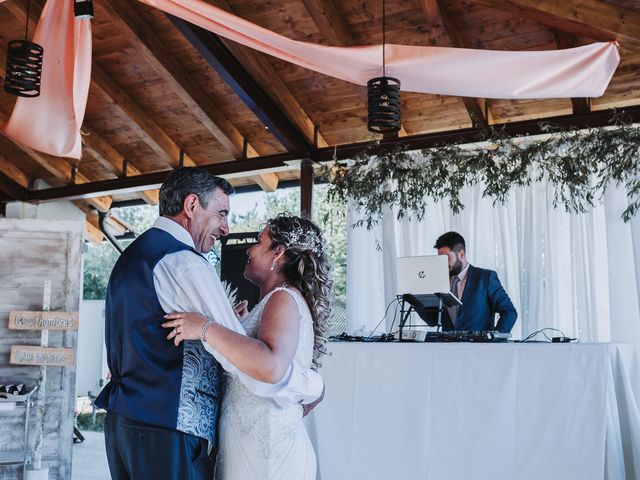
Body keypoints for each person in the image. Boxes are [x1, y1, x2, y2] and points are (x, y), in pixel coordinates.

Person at [95, 168, 324, 480]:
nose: (226, 229)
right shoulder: (186, 263)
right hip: (168, 429)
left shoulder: (135, 255)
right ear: (191, 206)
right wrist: (312, 386)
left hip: (125, 423)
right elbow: (247, 366)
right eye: (221, 213)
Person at [163, 214, 332, 480]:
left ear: (279, 252)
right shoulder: (271, 302)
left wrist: (205, 328)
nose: (249, 250)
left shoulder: (283, 299)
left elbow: (271, 365)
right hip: (250, 442)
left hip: (267, 451)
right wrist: (239, 329)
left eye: (258, 241)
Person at [434, 231, 517, 333]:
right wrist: (414, 298)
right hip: (447, 347)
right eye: (440, 259)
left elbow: (509, 312)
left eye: (447, 258)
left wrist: (495, 340)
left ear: (461, 254)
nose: (443, 263)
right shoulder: (440, 282)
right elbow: (433, 319)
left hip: (479, 348)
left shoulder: (486, 278)